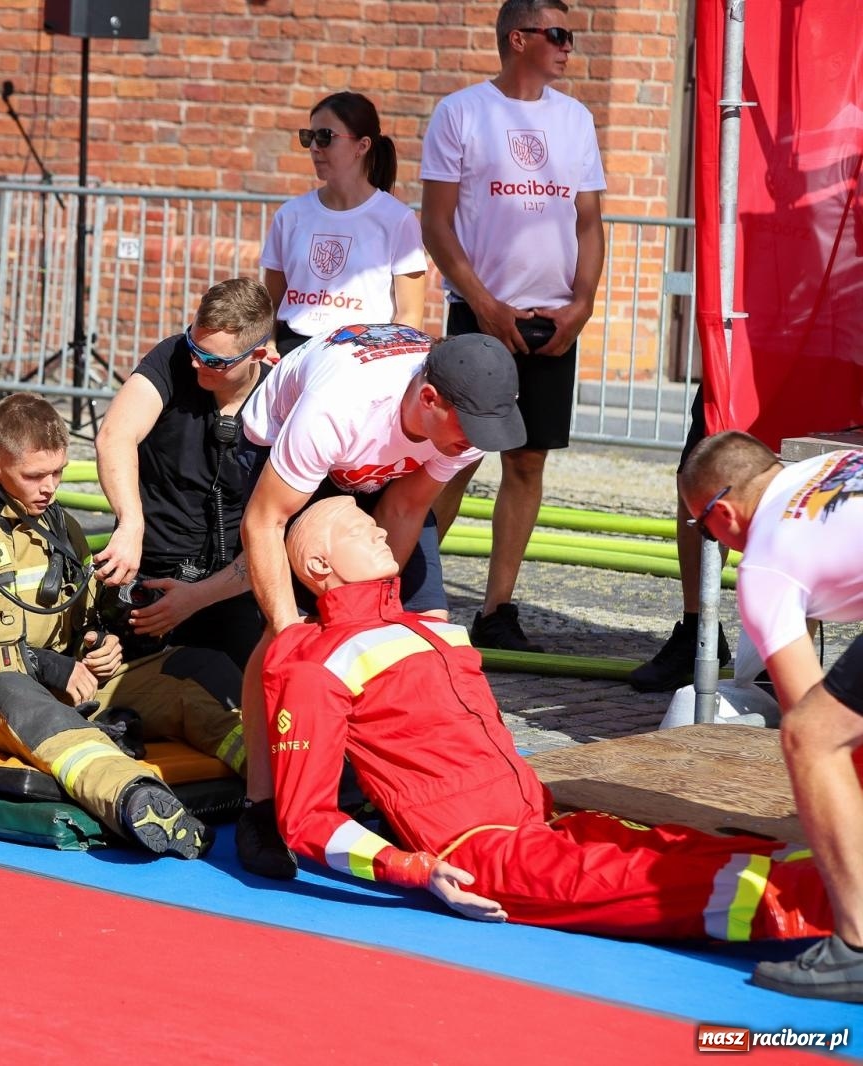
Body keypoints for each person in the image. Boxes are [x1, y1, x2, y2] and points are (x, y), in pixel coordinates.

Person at [261, 496, 835, 942]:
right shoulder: (315, 664)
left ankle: (842, 878)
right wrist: (410, 868)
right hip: (477, 850)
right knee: (670, 886)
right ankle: (837, 911)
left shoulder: (427, 627)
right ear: (319, 563)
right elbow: (304, 818)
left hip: (543, 823)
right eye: (360, 531)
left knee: (691, 849)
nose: (381, 530)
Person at [0, 393, 248, 858]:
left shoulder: (58, 525)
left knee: (198, 668)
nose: (49, 488)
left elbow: (80, 622)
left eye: (57, 473)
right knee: (13, 690)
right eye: (35, 476)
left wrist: (103, 640)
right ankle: (133, 798)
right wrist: (39, 665)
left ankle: (288, 778)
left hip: (63, 687)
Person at [234, 327, 527, 880]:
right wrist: (292, 627)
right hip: (287, 461)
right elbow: (264, 521)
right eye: (468, 432)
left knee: (422, 635)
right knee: (285, 644)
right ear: (430, 400)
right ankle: (263, 804)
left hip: (386, 477)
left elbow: (408, 507)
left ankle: (398, 799)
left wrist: (376, 612)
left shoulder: (467, 424)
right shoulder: (338, 408)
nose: (475, 444)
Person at [420, 0, 606, 653]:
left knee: (527, 464)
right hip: (480, 315)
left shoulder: (576, 119)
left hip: (553, 320)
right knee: (452, 459)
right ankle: (405, 597)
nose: (568, 47)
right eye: (558, 35)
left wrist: (581, 305)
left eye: (570, 36)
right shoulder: (463, 113)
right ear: (518, 37)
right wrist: (485, 304)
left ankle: (496, 609)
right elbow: (436, 224)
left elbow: (588, 222)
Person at [680, 432, 863, 1001]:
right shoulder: (837, 462)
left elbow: (811, 718)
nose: (714, 540)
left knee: (811, 738)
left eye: (702, 526)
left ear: (723, 513)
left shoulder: (763, 564)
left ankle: (856, 949)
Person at [94, 277, 272, 671]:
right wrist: (130, 525)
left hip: (229, 582)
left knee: (242, 686)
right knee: (102, 675)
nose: (195, 363)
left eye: (213, 361)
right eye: (194, 346)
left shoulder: (279, 399)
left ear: (257, 354)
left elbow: (276, 531)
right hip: (147, 563)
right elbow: (114, 436)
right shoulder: (174, 356)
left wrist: (197, 597)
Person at [262, 91, 427, 356]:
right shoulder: (290, 215)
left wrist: (385, 365)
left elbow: (409, 315)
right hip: (292, 351)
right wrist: (268, 345)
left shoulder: (398, 219)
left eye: (325, 136)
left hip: (361, 356)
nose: (315, 147)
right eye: (309, 136)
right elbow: (270, 303)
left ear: (362, 146)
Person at [628, 388, 731, 691]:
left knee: (790, 477)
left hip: (816, 356)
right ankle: (695, 630)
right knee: (695, 476)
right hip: (739, 356)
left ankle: (779, 653)